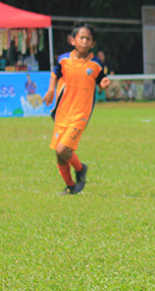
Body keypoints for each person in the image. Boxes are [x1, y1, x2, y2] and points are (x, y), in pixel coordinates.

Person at [43, 23, 111, 194]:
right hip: (63, 113)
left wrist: (103, 84)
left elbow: (101, 81)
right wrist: (51, 90)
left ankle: (81, 169)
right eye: (81, 37)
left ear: (93, 44)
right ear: (73, 40)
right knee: (59, 154)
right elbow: (55, 74)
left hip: (80, 114)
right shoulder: (64, 59)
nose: (84, 41)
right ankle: (71, 187)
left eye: (88, 39)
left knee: (63, 149)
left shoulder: (95, 64)